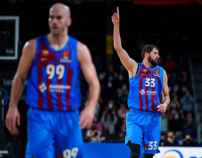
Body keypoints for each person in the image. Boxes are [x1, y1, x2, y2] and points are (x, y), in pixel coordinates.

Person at [5, 3, 100, 158]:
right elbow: (20, 77)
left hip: (69, 116)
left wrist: (90, 107)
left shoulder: (79, 49)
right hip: (40, 115)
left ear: (68, 21)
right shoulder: (32, 46)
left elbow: (94, 83)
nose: (54, 21)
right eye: (51, 17)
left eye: (58, 18)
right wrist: (12, 106)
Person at [112, 7, 170, 158]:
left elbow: (167, 96)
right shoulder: (134, 67)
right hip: (136, 116)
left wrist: (165, 104)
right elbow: (118, 49)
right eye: (155, 53)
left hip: (153, 118)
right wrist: (116, 25)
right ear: (146, 53)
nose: (158, 55)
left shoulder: (161, 72)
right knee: (135, 150)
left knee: (149, 156)